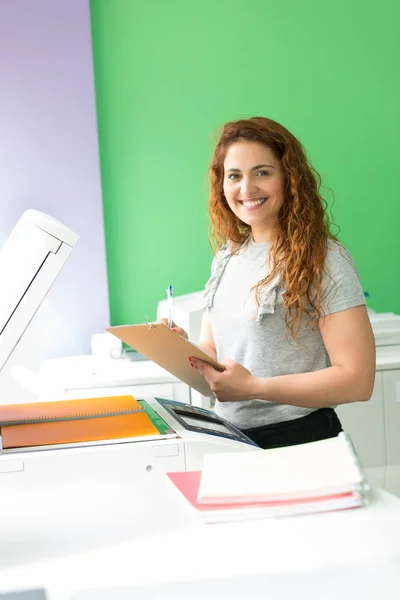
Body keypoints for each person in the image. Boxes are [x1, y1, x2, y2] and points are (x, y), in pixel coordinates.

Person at [170, 116, 376, 450]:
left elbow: (358, 380)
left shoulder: (324, 257)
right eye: (234, 176)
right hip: (231, 439)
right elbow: (216, 357)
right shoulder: (227, 257)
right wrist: (181, 352)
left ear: (289, 179)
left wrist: (254, 387)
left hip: (301, 440)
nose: (246, 188)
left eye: (262, 172)